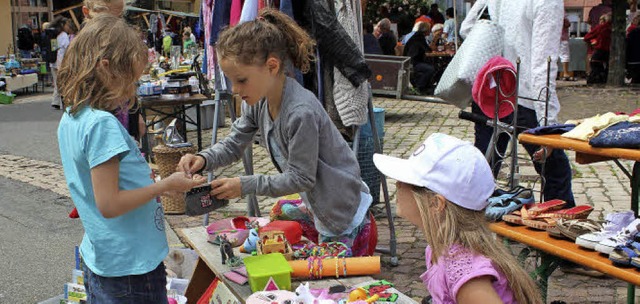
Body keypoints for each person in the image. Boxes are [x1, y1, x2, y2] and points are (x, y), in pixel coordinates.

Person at [177, 9, 377, 257]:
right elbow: (233, 144)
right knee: (279, 215)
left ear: (272, 66)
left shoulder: (300, 112)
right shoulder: (257, 101)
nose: (235, 90)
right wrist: (204, 158)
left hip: (339, 213)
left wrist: (244, 185)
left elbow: (301, 179)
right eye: (231, 81)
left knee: (327, 283)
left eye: (241, 80)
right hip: (317, 202)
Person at [57, 15, 206, 303]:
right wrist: (163, 187)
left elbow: (107, 180)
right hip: (130, 268)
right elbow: (109, 204)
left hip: (105, 258)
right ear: (106, 69)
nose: (132, 92)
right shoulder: (102, 124)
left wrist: (155, 180)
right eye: (131, 81)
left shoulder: (72, 118)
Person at [373, 133, 543, 304]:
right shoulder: (438, 247)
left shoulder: (465, 272)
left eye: (406, 181)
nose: (398, 184)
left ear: (436, 204)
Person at [460, 0, 576, 207]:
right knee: (555, 172)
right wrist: (549, 127)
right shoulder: (548, 2)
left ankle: (469, 231)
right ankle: (558, 230)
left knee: (483, 171)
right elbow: (543, 65)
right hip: (524, 96)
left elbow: (467, 27)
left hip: (492, 88)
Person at [403, 22, 436, 94]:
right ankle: (420, 87)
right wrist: (435, 39)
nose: (430, 31)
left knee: (430, 65)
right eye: (429, 30)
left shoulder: (417, 36)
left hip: (410, 61)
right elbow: (428, 50)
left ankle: (426, 86)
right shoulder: (419, 37)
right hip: (412, 63)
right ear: (426, 30)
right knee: (431, 69)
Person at [584, 13, 612, 84]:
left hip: (600, 50)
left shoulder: (600, 27)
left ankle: (596, 79)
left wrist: (594, 41)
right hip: (610, 51)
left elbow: (587, 37)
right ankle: (604, 78)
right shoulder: (613, 28)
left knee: (594, 64)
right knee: (607, 66)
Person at [50, 16, 71, 110]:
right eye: (67, 25)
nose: (68, 27)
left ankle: (55, 101)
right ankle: (64, 101)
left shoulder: (53, 35)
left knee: (56, 82)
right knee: (63, 82)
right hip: (61, 62)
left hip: (52, 61)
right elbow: (67, 48)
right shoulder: (63, 35)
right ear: (62, 25)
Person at [559, 14, 574, 81]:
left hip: (553, 38)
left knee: (553, 56)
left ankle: (553, 73)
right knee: (565, 55)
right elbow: (567, 24)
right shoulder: (562, 14)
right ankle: (565, 73)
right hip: (563, 38)